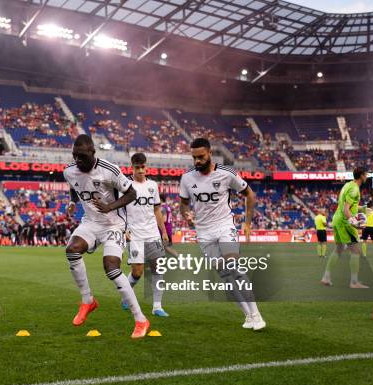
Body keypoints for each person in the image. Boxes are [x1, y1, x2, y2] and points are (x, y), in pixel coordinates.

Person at [64, 135, 150, 339]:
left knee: (111, 268)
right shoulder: (69, 171)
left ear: (93, 153)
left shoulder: (109, 170)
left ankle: (140, 319)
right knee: (72, 250)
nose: (78, 161)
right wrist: (72, 202)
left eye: (83, 156)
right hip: (91, 222)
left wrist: (109, 206)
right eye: (75, 156)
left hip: (114, 223)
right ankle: (87, 301)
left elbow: (131, 194)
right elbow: (75, 185)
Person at [179, 138, 266, 331]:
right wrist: (186, 215)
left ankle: (256, 313)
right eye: (194, 158)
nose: (197, 161)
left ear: (210, 153)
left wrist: (248, 222)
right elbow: (183, 204)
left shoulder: (227, 174)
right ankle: (248, 316)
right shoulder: (186, 178)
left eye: (201, 157)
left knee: (234, 267)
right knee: (225, 276)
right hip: (203, 233)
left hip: (225, 226)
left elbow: (250, 194)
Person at [123, 153, 170, 317]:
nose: (141, 170)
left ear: (146, 166)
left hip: (152, 234)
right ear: (132, 167)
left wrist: (163, 231)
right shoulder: (125, 185)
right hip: (134, 234)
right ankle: (126, 295)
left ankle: (157, 306)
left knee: (158, 269)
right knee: (137, 272)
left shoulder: (153, 185)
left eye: (143, 167)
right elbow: (120, 209)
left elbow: (157, 209)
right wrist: (124, 228)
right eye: (137, 167)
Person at [321, 168, 369, 289]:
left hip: (337, 220)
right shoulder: (354, 189)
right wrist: (355, 223)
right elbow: (346, 209)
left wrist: (362, 208)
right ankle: (354, 282)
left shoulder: (348, 185)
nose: (367, 176)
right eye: (366, 174)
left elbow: (346, 205)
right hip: (344, 221)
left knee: (338, 249)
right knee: (356, 251)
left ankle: (326, 277)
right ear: (361, 176)